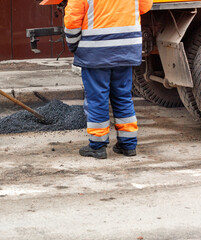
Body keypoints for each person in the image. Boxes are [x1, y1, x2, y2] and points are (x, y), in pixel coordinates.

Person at [64, 0, 153, 159]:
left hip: (96, 52)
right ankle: (128, 145)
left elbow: (72, 20)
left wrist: (74, 46)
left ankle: (97, 146)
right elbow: (145, 6)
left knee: (97, 98)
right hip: (126, 49)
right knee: (123, 96)